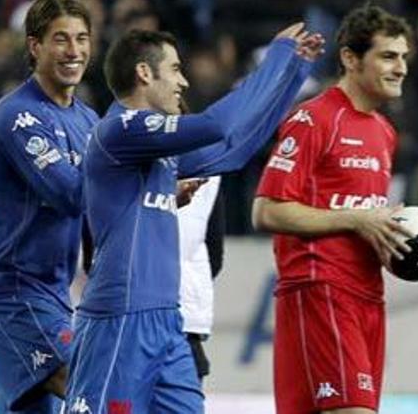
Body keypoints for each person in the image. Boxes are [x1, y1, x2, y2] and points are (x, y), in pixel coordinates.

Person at [64, 24, 323, 413]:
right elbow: (217, 124)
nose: (183, 81)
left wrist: (292, 75)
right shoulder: (119, 130)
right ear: (144, 73)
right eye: (174, 69)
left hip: (168, 320)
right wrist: (276, 58)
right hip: (120, 315)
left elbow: (232, 148)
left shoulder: (158, 151)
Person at [251, 4, 414, 414]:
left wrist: (392, 237)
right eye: (388, 56)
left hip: (368, 296)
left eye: (404, 58)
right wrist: (356, 219)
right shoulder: (314, 120)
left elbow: (364, 218)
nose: (401, 68)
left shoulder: (384, 133)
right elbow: (267, 210)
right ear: (350, 58)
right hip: (320, 288)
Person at [0, 0, 97, 414]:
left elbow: (92, 219)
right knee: (87, 382)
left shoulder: (87, 120)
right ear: (35, 46)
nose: (74, 50)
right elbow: (70, 194)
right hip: (11, 291)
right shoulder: (16, 116)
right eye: (61, 39)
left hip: (54, 293)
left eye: (81, 39)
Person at [178, 174, 223, 381]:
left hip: (124, 314)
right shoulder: (210, 165)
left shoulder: (120, 148)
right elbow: (215, 254)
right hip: (187, 317)